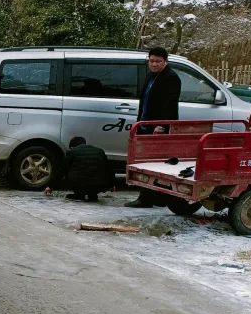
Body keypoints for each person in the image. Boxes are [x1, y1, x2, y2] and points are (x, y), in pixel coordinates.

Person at [126, 46, 181, 208]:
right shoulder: (151, 76)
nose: (154, 64)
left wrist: (161, 126)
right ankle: (151, 196)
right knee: (144, 161)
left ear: (166, 61)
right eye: (151, 61)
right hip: (145, 125)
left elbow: (168, 105)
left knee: (155, 162)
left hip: (157, 127)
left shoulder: (171, 78)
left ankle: (148, 198)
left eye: (158, 61)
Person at [63, 136, 113, 202]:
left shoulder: (72, 152)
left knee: (70, 171)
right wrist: (112, 184)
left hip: (78, 185)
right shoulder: (100, 151)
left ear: (73, 146)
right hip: (99, 185)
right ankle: (93, 194)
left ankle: (79, 195)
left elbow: (63, 170)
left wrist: (50, 186)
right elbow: (109, 169)